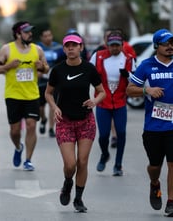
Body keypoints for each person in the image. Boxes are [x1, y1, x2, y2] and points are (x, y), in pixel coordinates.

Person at [45, 32, 105, 212]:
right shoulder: (57, 70)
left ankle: (78, 199)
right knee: (70, 164)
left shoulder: (89, 69)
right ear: (64, 49)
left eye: (74, 45)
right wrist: (55, 107)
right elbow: (48, 93)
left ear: (81, 47)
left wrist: (95, 101)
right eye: (67, 46)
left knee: (83, 162)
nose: (71, 48)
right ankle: (68, 182)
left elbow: (101, 91)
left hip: (86, 121)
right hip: (65, 121)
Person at [126, 29, 173, 217]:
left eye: (172, 43)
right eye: (165, 43)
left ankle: (171, 201)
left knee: (172, 164)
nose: (170, 46)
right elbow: (130, 90)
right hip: (153, 126)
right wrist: (147, 90)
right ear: (156, 46)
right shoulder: (147, 65)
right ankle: (155, 184)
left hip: (172, 126)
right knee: (155, 166)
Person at [0, 21, 49, 171]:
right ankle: (18, 147)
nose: (30, 34)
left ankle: (28, 160)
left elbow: (46, 68)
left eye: (31, 32)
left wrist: (42, 67)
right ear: (18, 34)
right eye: (26, 32)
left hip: (32, 95)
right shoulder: (6, 49)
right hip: (13, 95)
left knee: (32, 126)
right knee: (15, 130)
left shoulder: (37, 49)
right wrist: (7, 66)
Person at [89, 31, 135, 176]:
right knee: (103, 135)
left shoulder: (129, 59)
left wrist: (128, 75)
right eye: (111, 45)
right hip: (103, 102)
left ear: (122, 45)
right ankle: (104, 154)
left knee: (121, 133)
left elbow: (136, 80)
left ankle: (118, 165)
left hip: (120, 103)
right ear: (107, 45)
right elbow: (88, 73)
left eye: (117, 45)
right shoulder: (98, 56)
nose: (114, 48)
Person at [37, 28, 65, 137]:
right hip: (41, 81)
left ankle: (51, 128)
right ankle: (43, 119)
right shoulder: (37, 48)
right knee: (40, 107)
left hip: (54, 81)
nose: (48, 38)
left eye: (50, 35)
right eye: (45, 36)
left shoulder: (58, 48)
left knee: (52, 104)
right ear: (41, 38)